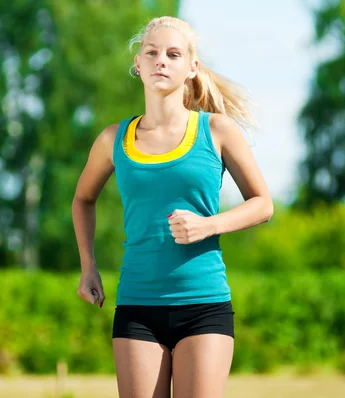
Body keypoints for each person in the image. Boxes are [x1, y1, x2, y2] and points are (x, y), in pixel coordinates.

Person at [71, 16, 273, 398]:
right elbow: (83, 199)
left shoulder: (217, 131)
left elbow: (263, 204)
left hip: (204, 305)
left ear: (191, 68)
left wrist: (208, 225)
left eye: (173, 54)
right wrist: (88, 266)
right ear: (138, 65)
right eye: (151, 52)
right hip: (136, 305)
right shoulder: (113, 139)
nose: (160, 60)